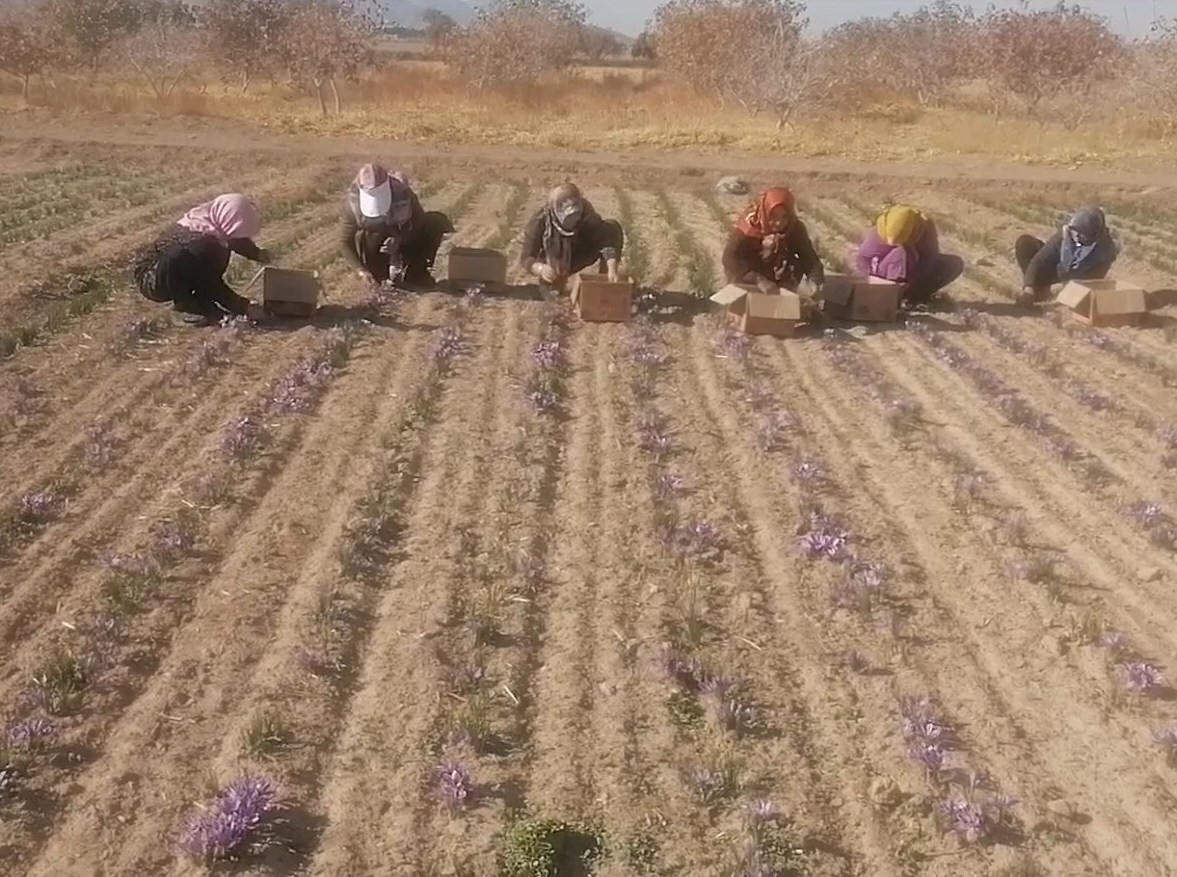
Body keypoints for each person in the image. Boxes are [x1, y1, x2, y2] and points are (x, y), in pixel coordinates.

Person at [131, 193, 270, 326]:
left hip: (179, 272)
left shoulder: (210, 222)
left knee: (216, 253)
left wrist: (258, 254)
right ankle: (185, 308)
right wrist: (243, 307)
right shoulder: (200, 242)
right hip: (151, 278)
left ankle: (197, 303)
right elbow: (211, 284)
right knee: (191, 258)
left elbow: (235, 239)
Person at [340, 164, 454, 290]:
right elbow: (345, 241)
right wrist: (361, 271)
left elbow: (419, 221)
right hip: (375, 246)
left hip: (403, 237)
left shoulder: (404, 193)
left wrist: (400, 239)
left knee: (434, 221)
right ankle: (378, 275)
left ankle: (416, 273)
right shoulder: (352, 205)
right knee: (369, 236)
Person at [855, 205, 964, 310]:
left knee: (954, 264)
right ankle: (892, 297)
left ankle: (914, 296)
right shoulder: (879, 231)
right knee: (901, 252)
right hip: (886, 276)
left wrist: (912, 281)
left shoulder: (924, 228)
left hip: (914, 271)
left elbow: (930, 258)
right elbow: (863, 258)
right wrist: (872, 281)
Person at [520, 183, 625, 292]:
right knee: (552, 290)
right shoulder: (540, 221)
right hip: (554, 259)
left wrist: (612, 269)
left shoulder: (586, 213)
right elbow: (526, 258)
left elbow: (606, 238)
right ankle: (555, 281)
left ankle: (605, 282)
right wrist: (541, 269)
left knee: (612, 227)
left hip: (580, 251)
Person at [722, 186, 824, 296]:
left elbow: (810, 258)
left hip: (777, 278)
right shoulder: (749, 227)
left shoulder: (794, 228)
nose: (778, 223)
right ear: (766, 212)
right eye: (774, 217)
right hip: (750, 276)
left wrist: (815, 280)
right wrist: (758, 279)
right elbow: (729, 258)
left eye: (784, 217)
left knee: (794, 265)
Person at [1015, 205, 1118, 303]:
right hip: (1056, 269)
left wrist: (1063, 291)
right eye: (1075, 231)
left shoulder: (1105, 252)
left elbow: (1091, 282)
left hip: (1077, 281)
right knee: (1024, 243)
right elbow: (1039, 261)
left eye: (1082, 234)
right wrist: (1028, 288)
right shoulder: (1066, 234)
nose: (1077, 235)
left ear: (1094, 234)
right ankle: (1038, 290)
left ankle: (1049, 293)